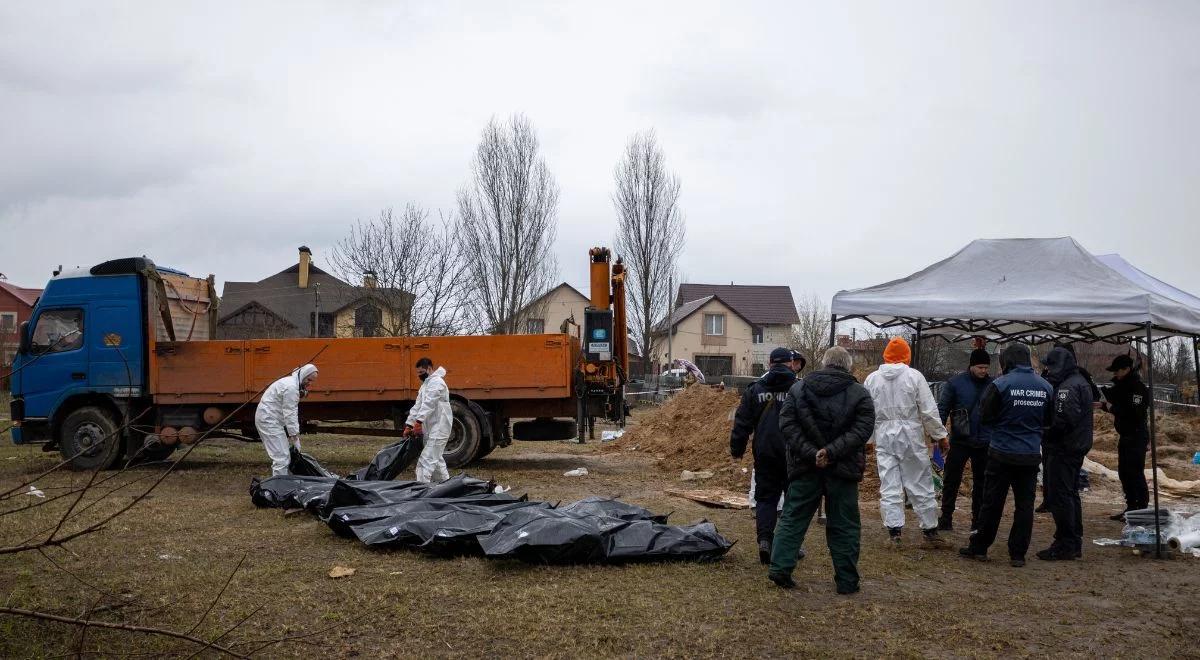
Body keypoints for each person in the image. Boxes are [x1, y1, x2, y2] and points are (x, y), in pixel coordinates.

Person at [771, 346, 875, 594]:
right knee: (845, 525)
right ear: (847, 365)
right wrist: (832, 452)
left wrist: (813, 453)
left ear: (825, 363)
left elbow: (787, 425)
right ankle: (847, 581)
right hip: (844, 469)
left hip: (806, 467)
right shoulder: (859, 393)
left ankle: (780, 568)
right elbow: (862, 430)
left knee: (793, 517)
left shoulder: (798, 389)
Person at [959, 344, 1053, 567]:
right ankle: (1018, 554)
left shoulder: (1000, 384)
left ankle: (980, 547)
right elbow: (1048, 422)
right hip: (1030, 455)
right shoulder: (1046, 386)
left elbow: (985, 417)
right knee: (1025, 505)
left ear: (1006, 361)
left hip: (1001, 452)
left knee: (991, 502)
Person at [863, 337, 949, 547]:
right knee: (919, 481)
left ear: (885, 356)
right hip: (910, 434)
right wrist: (940, 436)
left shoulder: (872, 379)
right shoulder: (914, 376)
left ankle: (894, 533)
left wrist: (868, 439)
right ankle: (930, 530)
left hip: (884, 434)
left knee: (889, 483)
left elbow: (866, 413)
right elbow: (928, 410)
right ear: (907, 357)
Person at [731, 347, 806, 564]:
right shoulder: (800, 388)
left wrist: (737, 449)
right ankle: (792, 544)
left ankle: (765, 540)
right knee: (793, 500)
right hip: (794, 452)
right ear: (790, 363)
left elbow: (742, 422)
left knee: (765, 498)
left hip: (764, 452)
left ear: (770, 364)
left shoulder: (755, 389)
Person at [1037, 346, 1094, 561]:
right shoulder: (1079, 381)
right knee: (1069, 493)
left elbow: (1063, 422)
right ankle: (1071, 540)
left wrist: (1044, 433)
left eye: (1050, 366)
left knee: (1060, 495)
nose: (1048, 371)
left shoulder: (1067, 388)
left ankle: (1066, 542)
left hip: (1064, 448)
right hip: (1074, 446)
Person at [936, 349, 993, 532]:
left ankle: (977, 521)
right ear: (971, 365)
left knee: (981, 483)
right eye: (980, 367)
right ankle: (946, 517)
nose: (983, 370)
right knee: (952, 480)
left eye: (986, 367)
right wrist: (940, 435)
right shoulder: (955, 384)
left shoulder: (993, 385)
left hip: (984, 441)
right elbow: (943, 409)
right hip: (960, 440)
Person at [1100, 354, 1150, 519]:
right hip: (1126, 436)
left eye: (1117, 371)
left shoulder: (1138, 388)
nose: (1115, 374)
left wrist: (1110, 408)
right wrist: (1103, 405)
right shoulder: (1123, 386)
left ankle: (1141, 509)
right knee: (1124, 473)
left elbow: (1134, 413)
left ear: (1127, 369)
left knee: (1135, 473)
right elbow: (1118, 404)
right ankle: (1131, 507)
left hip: (1136, 435)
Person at [255, 364, 318, 476]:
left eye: (312, 381)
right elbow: (290, 413)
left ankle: (285, 482)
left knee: (284, 456)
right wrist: (294, 435)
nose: (310, 383)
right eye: (309, 379)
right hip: (269, 421)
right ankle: (279, 487)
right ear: (303, 375)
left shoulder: (290, 382)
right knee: (282, 457)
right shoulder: (291, 388)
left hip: (271, 419)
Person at [405, 357, 452, 484]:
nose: (419, 375)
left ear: (429, 369)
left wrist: (418, 422)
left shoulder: (437, 382)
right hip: (431, 428)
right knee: (436, 462)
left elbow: (429, 404)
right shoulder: (425, 385)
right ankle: (447, 487)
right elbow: (418, 405)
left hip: (440, 427)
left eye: (421, 372)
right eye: (418, 373)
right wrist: (409, 424)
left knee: (426, 461)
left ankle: (421, 491)